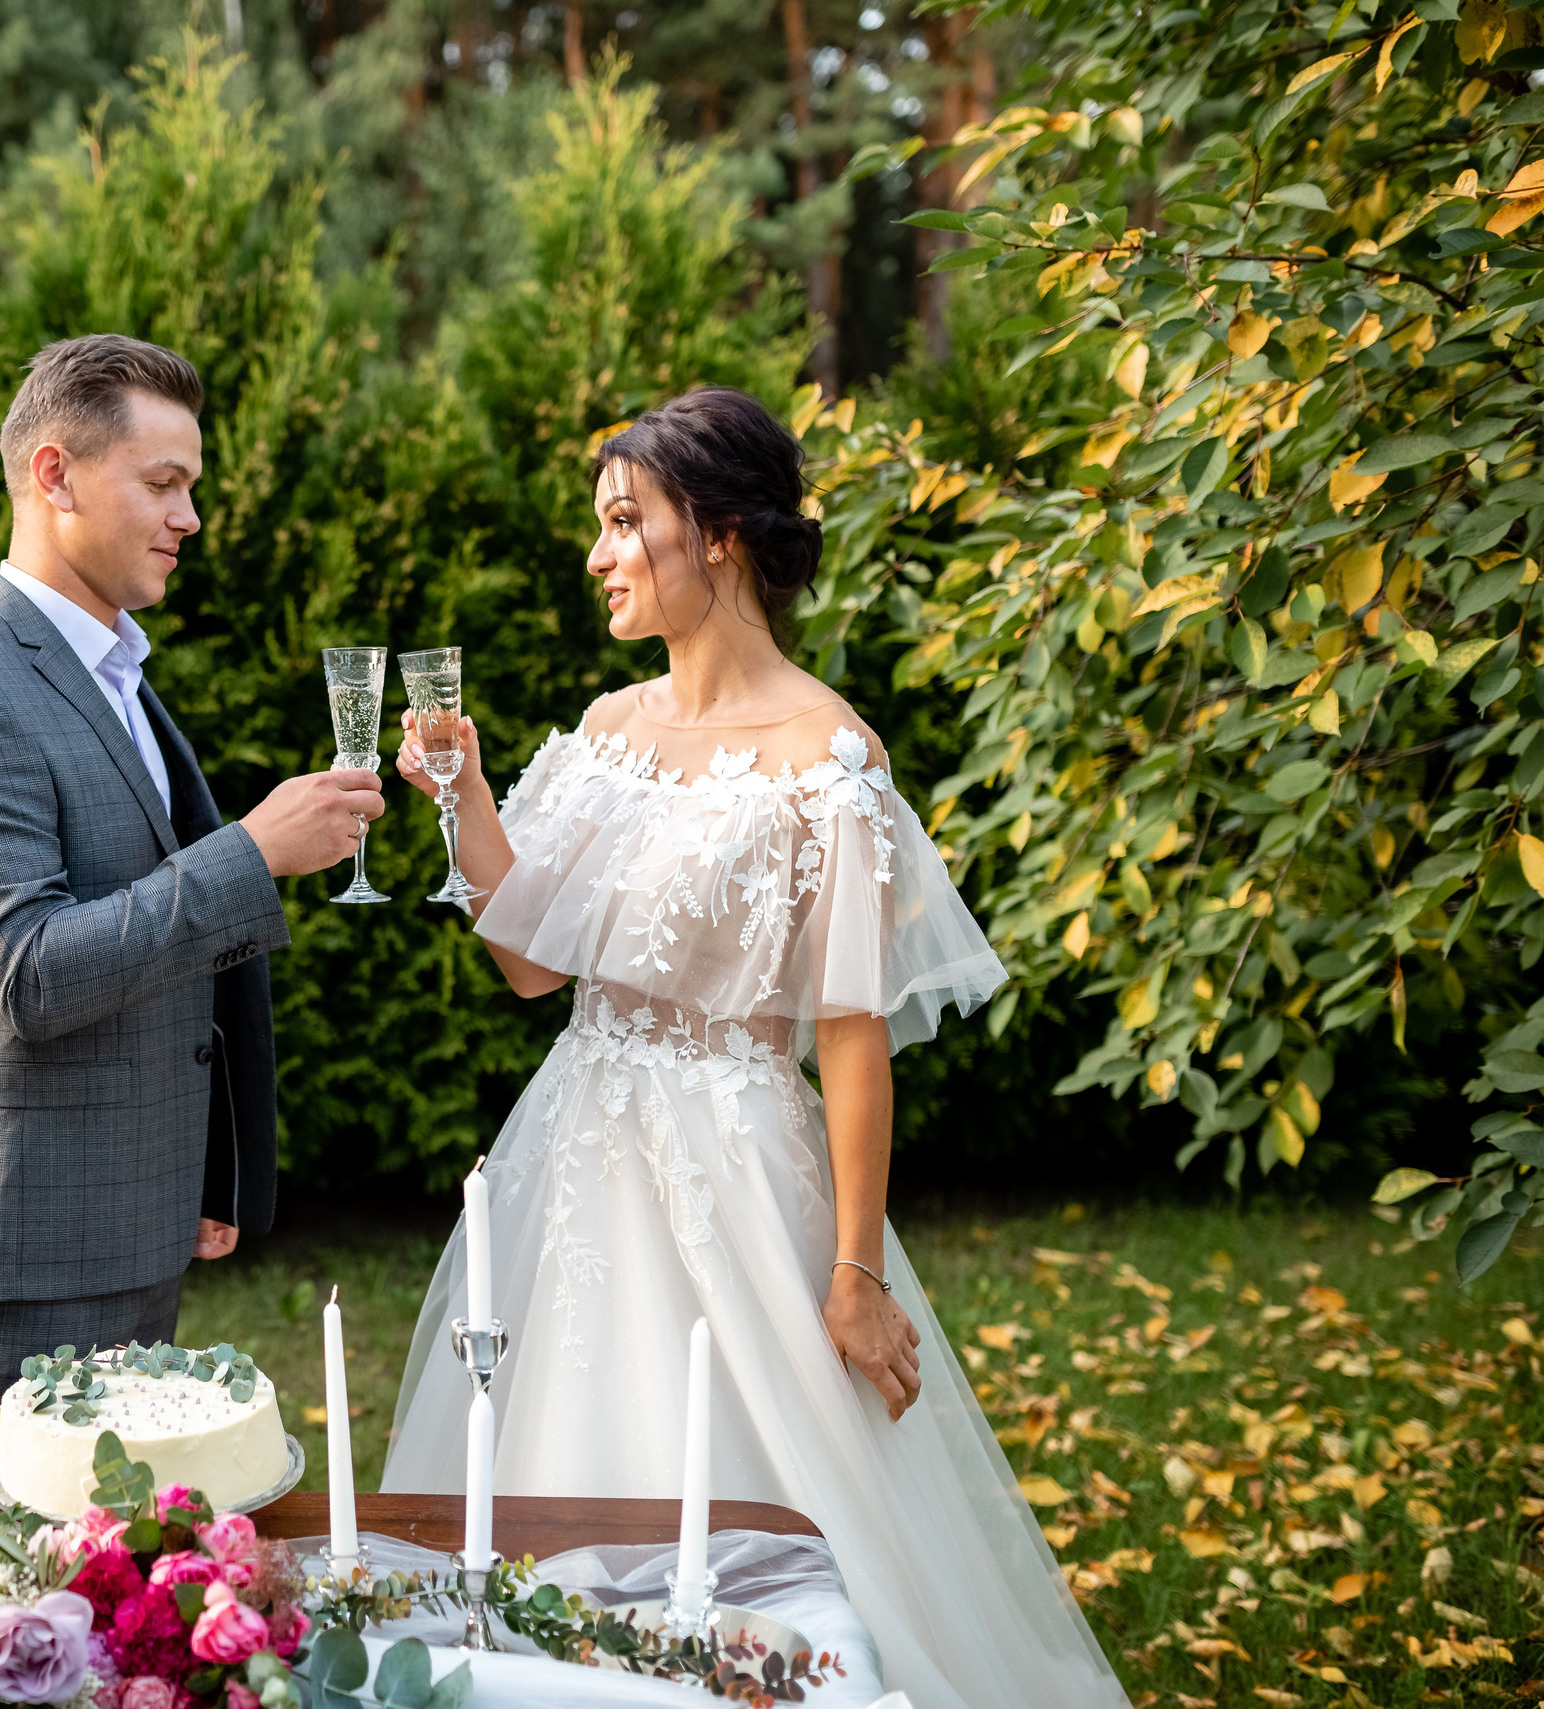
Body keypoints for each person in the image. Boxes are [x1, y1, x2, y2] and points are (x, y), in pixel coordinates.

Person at [379, 386, 1128, 1709]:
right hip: (573, 1156)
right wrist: (466, 798)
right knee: (545, 1486)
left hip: (733, 1169)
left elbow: (851, 1037)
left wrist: (854, 1270)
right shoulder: (607, 730)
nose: (599, 554)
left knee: (766, 1508)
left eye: (626, 522)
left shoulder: (826, 755)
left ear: (718, 534)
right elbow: (530, 961)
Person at [0, 333, 382, 1475]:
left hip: (130, 1222)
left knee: (109, 1568)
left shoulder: (115, 675)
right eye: (163, 483)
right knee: (5, 1573)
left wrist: (209, 1169)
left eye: (188, 486)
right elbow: (28, 972)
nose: (188, 516)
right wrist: (251, 854)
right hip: (19, 1253)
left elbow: (158, 956)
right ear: (55, 475)